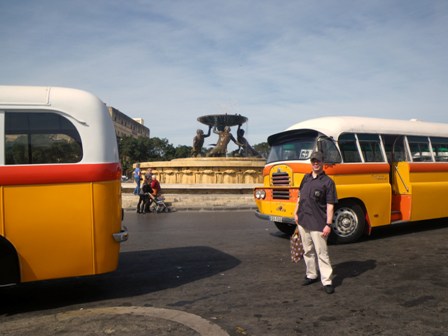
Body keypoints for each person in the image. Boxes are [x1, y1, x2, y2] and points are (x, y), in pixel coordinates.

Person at [294, 151, 338, 294]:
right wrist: (296, 212)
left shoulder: (328, 182)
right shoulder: (305, 178)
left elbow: (330, 205)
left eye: (318, 161)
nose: (315, 163)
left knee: (322, 253)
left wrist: (328, 224)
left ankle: (327, 281)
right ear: (311, 162)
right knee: (307, 250)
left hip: (319, 223)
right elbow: (300, 197)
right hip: (303, 220)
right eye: (313, 161)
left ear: (323, 163)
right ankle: (311, 274)